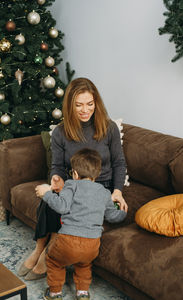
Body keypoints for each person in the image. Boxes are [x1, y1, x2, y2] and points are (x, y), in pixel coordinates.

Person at [17, 77, 128, 280]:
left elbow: (119, 163)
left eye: (89, 104)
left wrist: (118, 191)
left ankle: (47, 253)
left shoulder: (109, 128)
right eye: (78, 105)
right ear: (70, 105)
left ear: (96, 103)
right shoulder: (60, 132)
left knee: (68, 206)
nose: (85, 110)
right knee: (50, 198)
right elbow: (57, 166)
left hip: (100, 185)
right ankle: (39, 248)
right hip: (72, 182)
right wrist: (56, 180)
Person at [35, 148, 127, 300]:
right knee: (84, 264)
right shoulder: (104, 193)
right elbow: (112, 216)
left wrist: (47, 194)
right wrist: (123, 211)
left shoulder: (71, 185)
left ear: (75, 174)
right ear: (97, 174)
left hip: (68, 241)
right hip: (92, 245)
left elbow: (62, 206)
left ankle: (55, 293)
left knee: (53, 260)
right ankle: (82, 293)